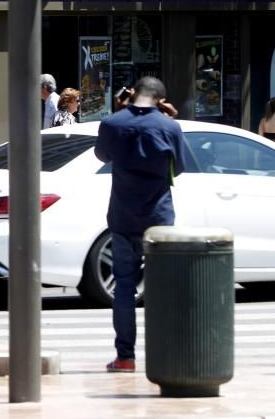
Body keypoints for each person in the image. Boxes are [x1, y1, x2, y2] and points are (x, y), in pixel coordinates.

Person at [94, 76, 187, 373]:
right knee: (162, 289)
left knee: (123, 287)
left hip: (123, 218)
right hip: (159, 219)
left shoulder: (112, 123)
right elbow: (180, 167)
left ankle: (125, 357)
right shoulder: (170, 126)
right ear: (160, 100)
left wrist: (120, 110)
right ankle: (169, 355)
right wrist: (169, 119)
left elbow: (102, 155)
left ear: (133, 94)